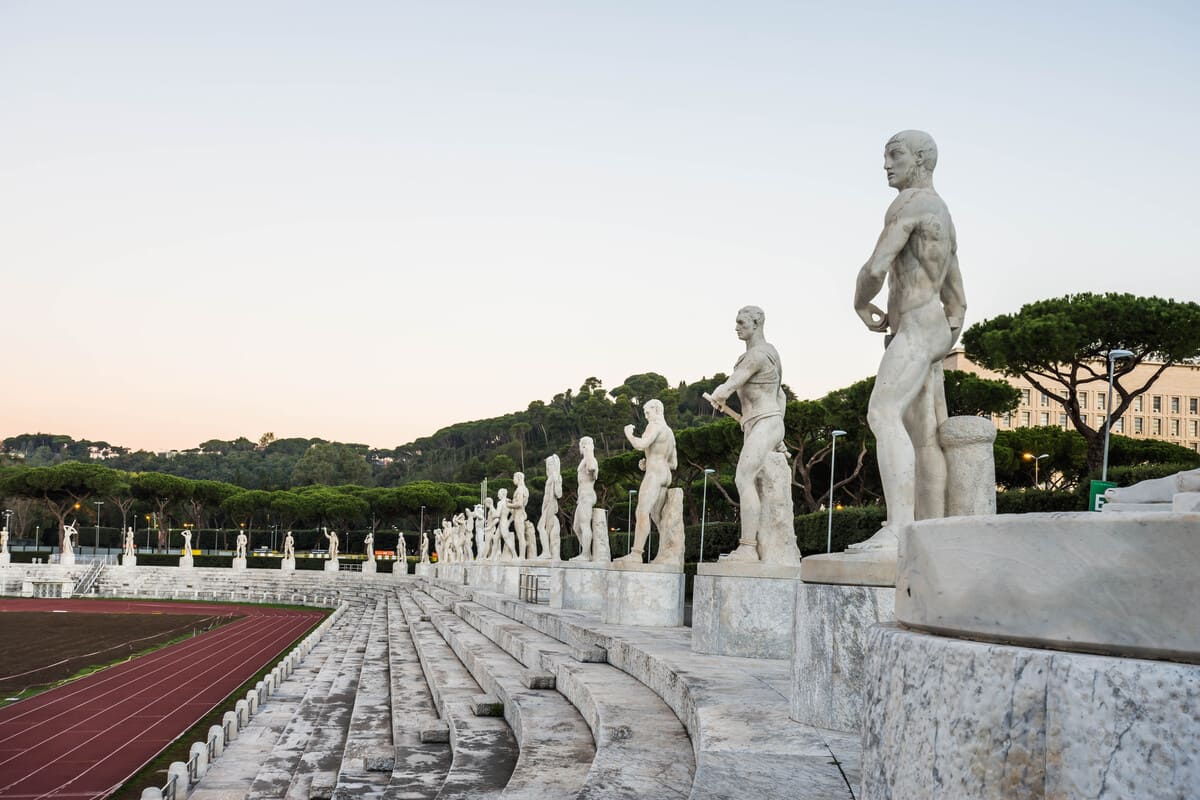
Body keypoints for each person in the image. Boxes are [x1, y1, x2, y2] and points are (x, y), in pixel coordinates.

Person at [850, 130, 966, 550]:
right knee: (924, 434)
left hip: (918, 326)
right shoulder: (943, 212)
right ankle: (929, 528)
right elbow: (957, 294)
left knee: (882, 413)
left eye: (894, 155)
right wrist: (947, 330)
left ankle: (899, 528)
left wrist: (861, 304)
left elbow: (877, 267)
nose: (886, 164)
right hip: (927, 325)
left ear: (921, 159)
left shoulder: (911, 204)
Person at [708, 306, 787, 561]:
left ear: (757, 323)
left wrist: (720, 393)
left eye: (742, 322)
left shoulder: (759, 354)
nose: (737, 327)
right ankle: (755, 546)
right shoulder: (769, 354)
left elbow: (732, 383)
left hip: (765, 421)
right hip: (756, 423)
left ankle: (748, 547)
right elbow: (781, 394)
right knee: (750, 480)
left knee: (743, 478)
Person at [616, 399, 678, 562]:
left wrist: (629, 434)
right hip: (665, 474)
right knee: (657, 516)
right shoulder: (669, 432)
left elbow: (640, 444)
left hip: (654, 474)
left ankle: (636, 554)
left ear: (657, 409)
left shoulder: (655, 425)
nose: (646, 415)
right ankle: (667, 552)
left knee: (641, 512)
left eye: (647, 412)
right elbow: (674, 463)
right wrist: (648, 461)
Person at [570, 437, 600, 561]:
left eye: (582, 445)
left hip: (587, 496)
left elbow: (592, 470)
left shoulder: (590, 458)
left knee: (584, 525)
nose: (580, 448)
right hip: (582, 498)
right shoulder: (585, 460)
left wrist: (588, 451)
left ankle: (586, 555)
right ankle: (587, 552)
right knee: (576, 527)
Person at [537, 454, 562, 560]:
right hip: (547, 506)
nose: (548, 467)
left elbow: (559, 494)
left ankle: (546, 552)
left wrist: (556, 481)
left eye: (551, 464)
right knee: (548, 530)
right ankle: (551, 553)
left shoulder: (556, 477)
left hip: (551, 505)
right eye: (547, 464)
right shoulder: (551, 477)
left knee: (540, 527)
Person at [509, 472, 531, 558]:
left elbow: (519, 504)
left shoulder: (520, 489)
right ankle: (521, 556)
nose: (513, 480)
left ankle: (522, 556)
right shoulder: (521, 489)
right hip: (518, 514)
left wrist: (508, 505)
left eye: (514, 478)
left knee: (520, 536)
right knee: (520, 535)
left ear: (518, 478)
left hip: (519, 514)